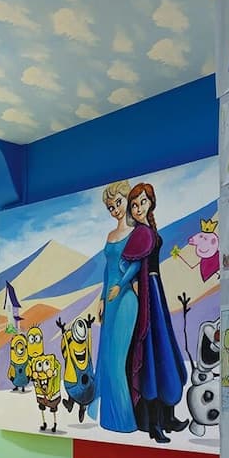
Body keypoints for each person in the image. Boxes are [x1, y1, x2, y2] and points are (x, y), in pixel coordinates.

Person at [122, 183, 188, 443]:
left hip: (156, 293)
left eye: (142, 202)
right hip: (147, 297)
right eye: (134, 204)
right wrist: (135, 288)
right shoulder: (139, 234)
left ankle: (167, 417)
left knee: (164, 355)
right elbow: (129, 266)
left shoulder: (149, 230)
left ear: (151, 203)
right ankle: (154, 424)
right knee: (151, 357)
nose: (138, 208)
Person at [94, 180, 138, 433]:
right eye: (110, 207)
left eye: (118, 203)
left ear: (126, 199)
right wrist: (102, 298)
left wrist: (120, 286)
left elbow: (135, 265)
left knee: (116, 361)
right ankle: (110, 419)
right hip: (109, 303)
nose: (115, 210)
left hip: (125, 300)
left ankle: (124, 421)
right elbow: (107, 270)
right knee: (106, 359)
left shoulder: (136, 232)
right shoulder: (110, 236)